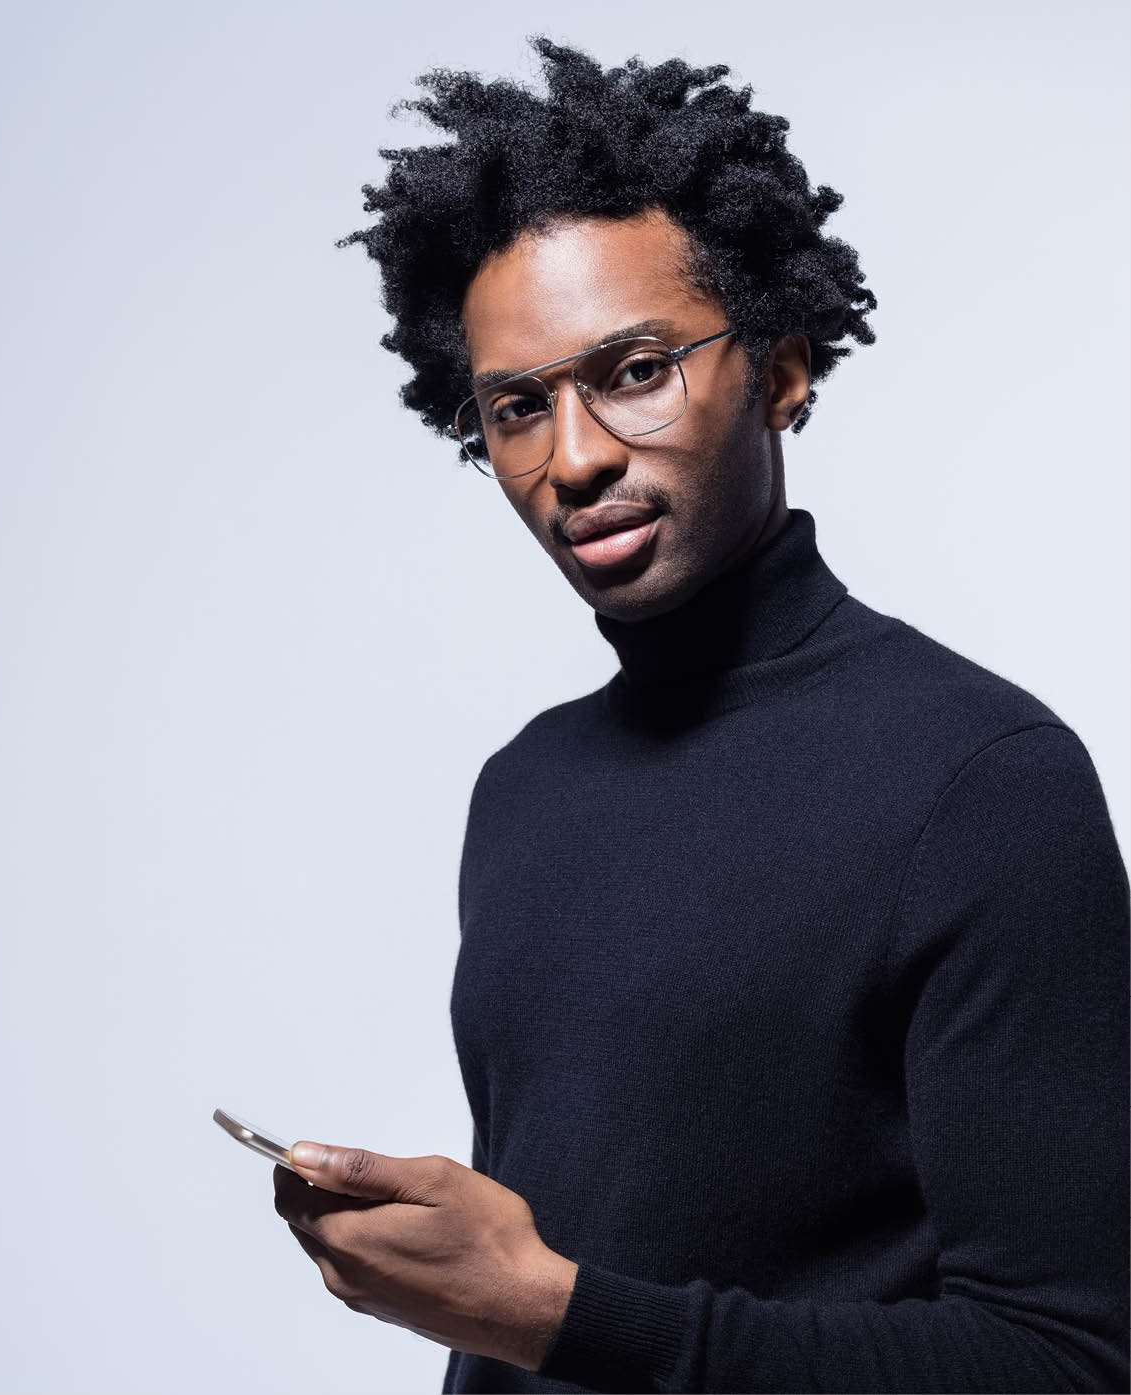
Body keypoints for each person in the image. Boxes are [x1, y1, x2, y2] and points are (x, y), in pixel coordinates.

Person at [309, 37, 1131, 1392]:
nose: (572, 458)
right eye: (517, 407)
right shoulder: (523, 788)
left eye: (632, 371)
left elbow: (1064, 1363)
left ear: (782, 371)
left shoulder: (982, 782)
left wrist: (553, 1318)